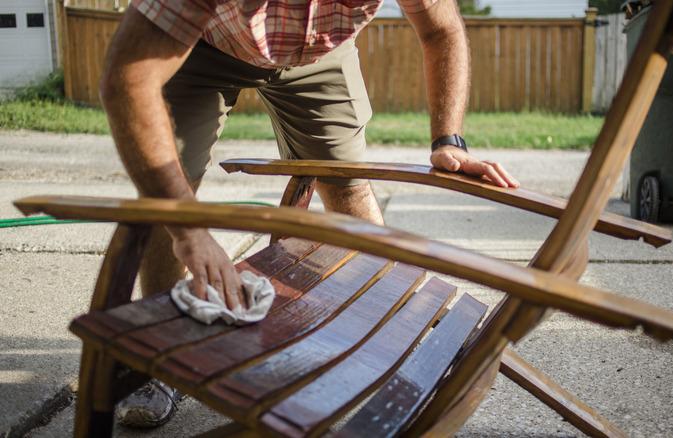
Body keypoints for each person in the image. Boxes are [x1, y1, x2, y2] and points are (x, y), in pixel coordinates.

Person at [100, 0, 519, 428]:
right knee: (168, 191)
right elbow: (127, 79)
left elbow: (441, 30)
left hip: (317, 54)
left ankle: (385, 333)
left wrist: (448, 140)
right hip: (202, 43)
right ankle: (155, 365)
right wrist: (186, 226)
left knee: (347, 182)